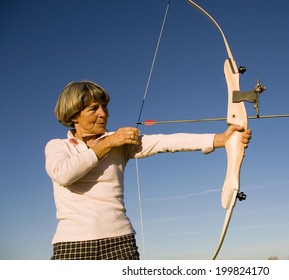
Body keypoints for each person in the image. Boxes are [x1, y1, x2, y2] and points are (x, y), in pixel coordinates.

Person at [45, 80, 252, 260]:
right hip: (71, 244)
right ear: (73, 116)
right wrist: (108, 143)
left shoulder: (120, 142)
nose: (103, 114)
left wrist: (219, 140)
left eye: (105, 106)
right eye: (93, 109)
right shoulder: (57, 146)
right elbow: (64, 174)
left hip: (120, 241)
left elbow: (166, 142)